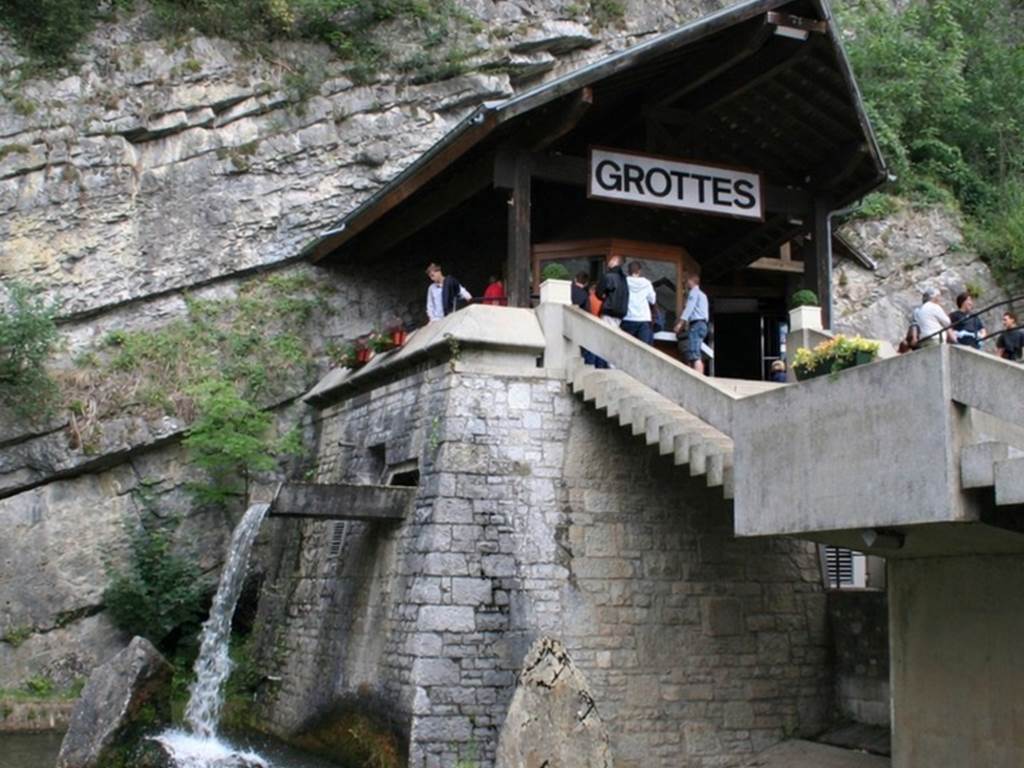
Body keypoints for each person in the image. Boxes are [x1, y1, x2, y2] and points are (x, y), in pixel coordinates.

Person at [674, 273, 710, 375]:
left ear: (691, 281)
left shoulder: (694, 292)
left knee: (694, 354)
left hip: (696, 324)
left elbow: (689, 308)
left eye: (687, 282)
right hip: (703, 325)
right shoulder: (703, 295)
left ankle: (698, 378)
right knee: (696, 350)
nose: (686, 284)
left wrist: (680, 323)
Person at [620, 261, 657, 344]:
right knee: (643, 348)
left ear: (628, 271)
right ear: (639, 271)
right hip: (643, 318)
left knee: (627, 346)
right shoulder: (647, 283)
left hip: (628, 317)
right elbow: (653, 300)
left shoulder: (624, 282)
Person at [595, 254, 629, 328]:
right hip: (621, 312)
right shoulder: (625, 279)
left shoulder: (609, 276)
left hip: (609, 310)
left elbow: (598, 292)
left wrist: (604, 297)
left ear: (615, 261)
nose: (609, 262)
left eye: (611, 260)